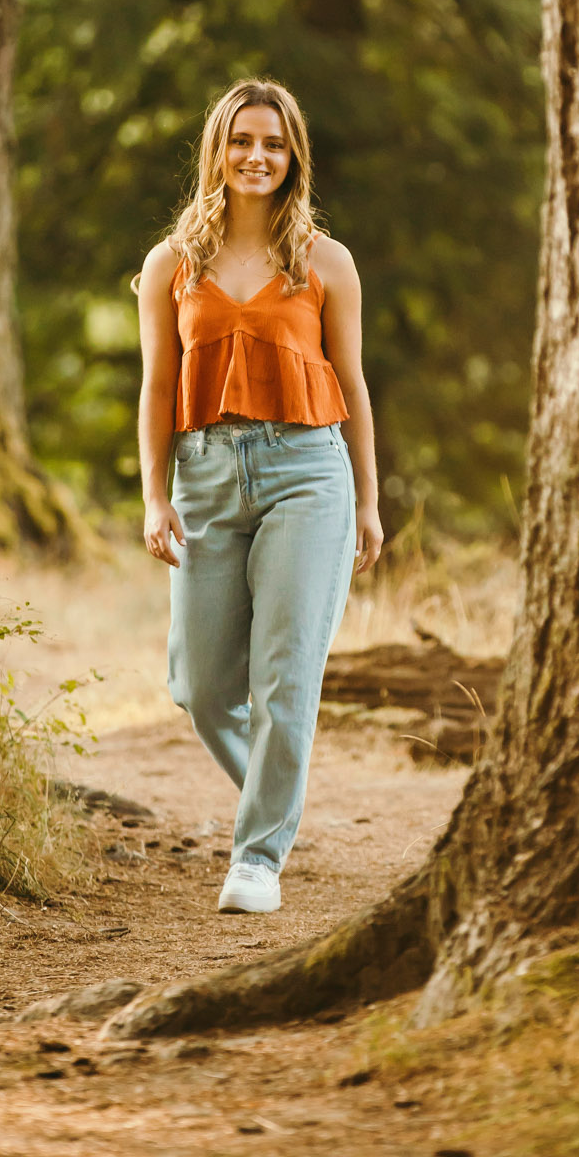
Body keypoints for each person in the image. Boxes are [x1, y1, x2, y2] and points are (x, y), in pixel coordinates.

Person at [136, 77, 384, 915]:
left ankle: (257, 858)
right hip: (203, 474)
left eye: (273, 144)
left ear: (293, 159)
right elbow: (155, 387)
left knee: (285, 675)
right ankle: (277, 800)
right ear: (218, 150)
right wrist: (154, 496)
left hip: (307, 470)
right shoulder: (170, 265)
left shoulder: (326, 261)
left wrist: (368, 502)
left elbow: (351, 382)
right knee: (199, 685)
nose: (257, 156)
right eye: (242, 140)